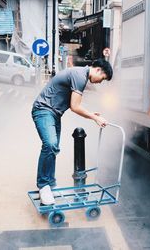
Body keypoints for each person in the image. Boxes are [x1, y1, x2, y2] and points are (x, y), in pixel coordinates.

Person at [31, 58, 113, 205]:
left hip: (54, 113)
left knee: (53, 148)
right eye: (102, 78)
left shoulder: (80, 74)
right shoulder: (80, 76)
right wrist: (94, 118)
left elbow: (74, 103)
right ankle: (43, 186)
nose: (100, 82)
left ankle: (50, 183)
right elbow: (75, 106)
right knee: (50, 145)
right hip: (44, 110)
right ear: (99, 70)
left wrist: (91, 113)